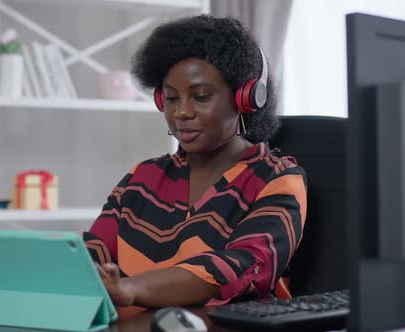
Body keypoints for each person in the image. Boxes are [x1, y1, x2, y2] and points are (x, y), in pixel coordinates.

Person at [83, 14, 307, 308]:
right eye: (172, 98)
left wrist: (131, 289)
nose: (182, 112)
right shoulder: (142, 178)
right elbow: (94, 252)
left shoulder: (277, 180)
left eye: (200, 97)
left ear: (244, 98)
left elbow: (234, 270)